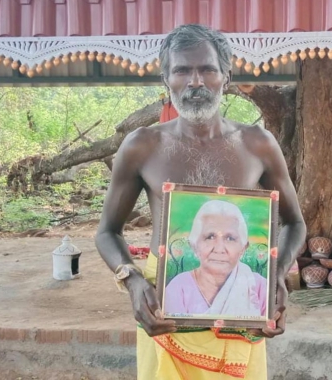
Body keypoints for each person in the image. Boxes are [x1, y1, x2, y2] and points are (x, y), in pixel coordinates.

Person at [95, 23, 306, 380]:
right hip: (165, 305)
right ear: (166, 79)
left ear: (226, 76)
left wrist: (277, 275)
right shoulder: (142, 145)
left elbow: (295, 223)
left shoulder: (257, 143)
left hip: (242, 306)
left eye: (207, 68)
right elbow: (107, 232)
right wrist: (131, 280)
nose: (196, 81)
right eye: (182, 70)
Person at [165, 200, 268, 318]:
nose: (219, 249)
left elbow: (264, 329)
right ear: (194, 245)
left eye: (230, 238)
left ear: (243, 248)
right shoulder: (179, 288)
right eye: (210, 237)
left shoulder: (258, 286)